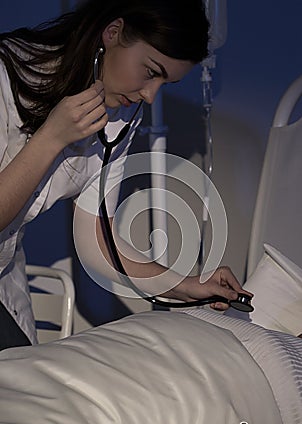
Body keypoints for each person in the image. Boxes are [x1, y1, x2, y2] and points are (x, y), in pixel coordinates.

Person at [0, 0, 251, 351]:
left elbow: (98, 245)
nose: (149, 96)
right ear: (113, 33)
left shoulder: (117, 115)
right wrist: (51, 138)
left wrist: (187, 285)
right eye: (150, 72)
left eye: (166, 83)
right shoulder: (6, 75)